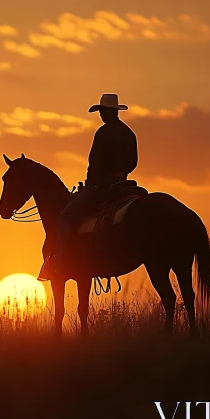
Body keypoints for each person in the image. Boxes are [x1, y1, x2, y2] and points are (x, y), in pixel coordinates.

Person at [38, 93, 138, 281]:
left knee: (66, 217)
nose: (101, 116)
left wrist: (90, 183)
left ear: (106, 112)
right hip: (124, 184)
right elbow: (133, 162)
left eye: (102, 112)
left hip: (102, 186)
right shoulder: (128, 133)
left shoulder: (103, 132)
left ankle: (58, 264)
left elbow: (94, 163)